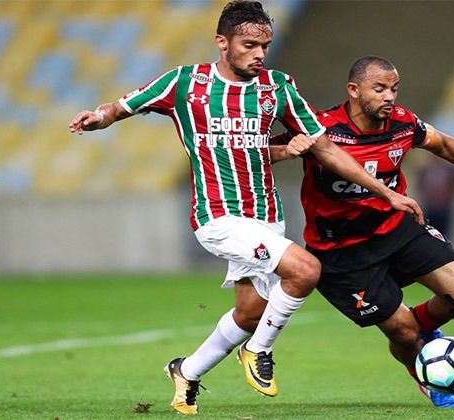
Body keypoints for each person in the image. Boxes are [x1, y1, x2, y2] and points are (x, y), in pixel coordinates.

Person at [68, 6, 422, 415]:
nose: (260, 54)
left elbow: (324, 147)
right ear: (222, 42)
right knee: (306, 270)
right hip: (217, 215)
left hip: (266, 216)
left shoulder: (278, 86)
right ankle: (258, 352)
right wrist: (98, 118)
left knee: (251, 312)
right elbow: (121, 106)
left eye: (265, 46)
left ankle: (187, 371)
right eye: (249, 45)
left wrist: (384, 192)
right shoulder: (184, 83)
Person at [272, 56, 454, 409]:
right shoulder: (320, 127)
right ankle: (431, 380)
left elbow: (445, 145)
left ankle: (423, 326)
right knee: (404, 333)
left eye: (394, 88)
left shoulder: (403, 123)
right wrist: (285, 150)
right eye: (379, 88)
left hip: (397, 229)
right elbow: (259, 153)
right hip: (342, 252)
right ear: (353, 90)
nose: (389, 96)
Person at [415, 154, 454, 238]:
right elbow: (419, 185)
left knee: (444, 236)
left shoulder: (450, 170)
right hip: (429, 208)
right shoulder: (426, 170)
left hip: (444, 208)